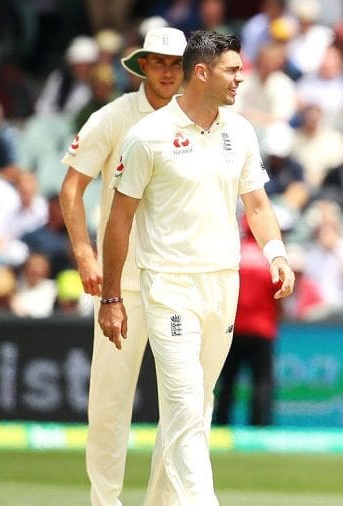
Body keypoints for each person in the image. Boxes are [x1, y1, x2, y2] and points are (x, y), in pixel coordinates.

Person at [98, 30, 294, 505]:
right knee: (186, 410)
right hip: (168, 287)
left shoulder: (240, 131)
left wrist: (277, 255)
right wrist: (111, 296)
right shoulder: (147, 136)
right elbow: (118, 221)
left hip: (222, 285)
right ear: (201, 72)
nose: (240, 79)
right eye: (232, 70)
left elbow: (258, 204)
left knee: (194, 411)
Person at [58, 26, 188, 506]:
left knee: (182, 406)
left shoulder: (195, 120)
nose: (168, 72)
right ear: (142, 66)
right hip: (124, 284)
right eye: (159, 62)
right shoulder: (113, 118)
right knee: (110, 406)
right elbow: (71, 189)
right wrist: (84, 253)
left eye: (175, 63)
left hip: (179, 284)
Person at [215, 221, 279, 426]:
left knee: (227, 381)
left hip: (233, 328)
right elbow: (279, 294)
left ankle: (221, 423)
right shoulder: (270, 260)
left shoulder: (233, 254)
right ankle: (260, 425)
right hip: (262, 329)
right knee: (262, 381)